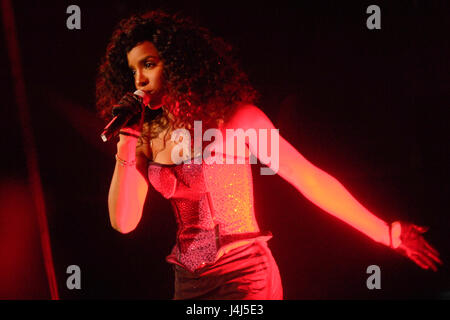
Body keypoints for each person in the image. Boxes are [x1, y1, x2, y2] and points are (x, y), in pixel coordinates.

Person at [96, 10, 442, 300]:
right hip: (187, 283)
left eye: (148, 65)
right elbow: (123, 223)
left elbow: (308, 179)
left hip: (244, 277)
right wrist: (127, 137)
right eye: (132, 71)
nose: (139, 79)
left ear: (176, 63)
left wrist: (387, 233)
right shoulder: (146, 137)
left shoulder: (235, 118)